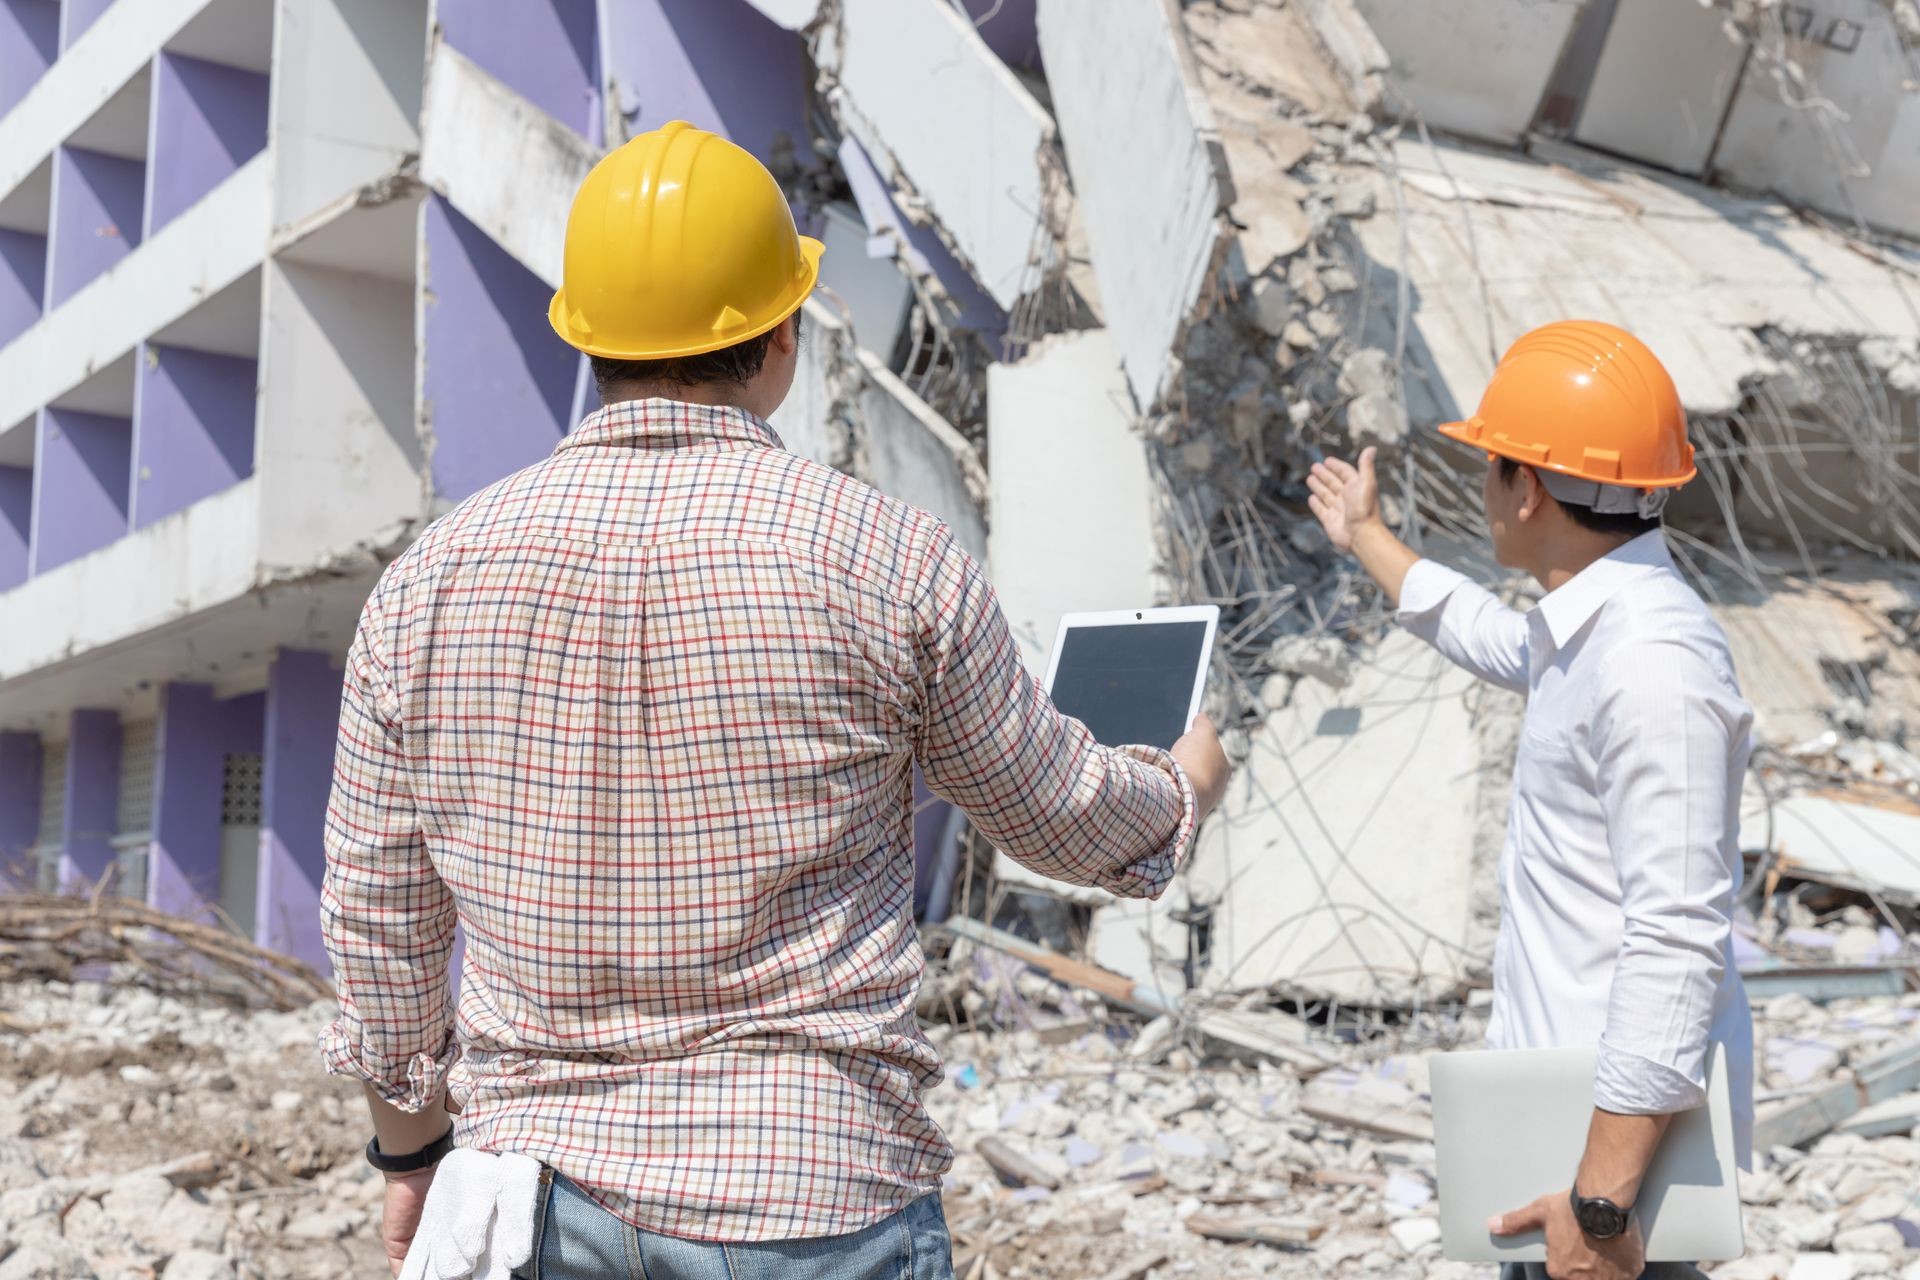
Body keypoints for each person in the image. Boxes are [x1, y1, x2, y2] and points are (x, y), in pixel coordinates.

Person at [317, 120, 1231, 1279]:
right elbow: (1054, 813)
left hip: (538, 1194)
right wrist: (1178, 787)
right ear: (782, 336)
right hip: (814, 1190)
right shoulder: (885, 554)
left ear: (585, 338)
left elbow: (379, 914)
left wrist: (409, 1155)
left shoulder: (428, 584)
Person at [1307, 321, 1754, 1280]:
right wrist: (1369, 538)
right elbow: (1491, 638)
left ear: (1530, 488)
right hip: (1569, 1141)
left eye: (1493, 468)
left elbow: (1677, 933)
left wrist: (1599, 1208)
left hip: (1610, 1190)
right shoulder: (1592, 628)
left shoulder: (1651, 665)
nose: (1486, 492)